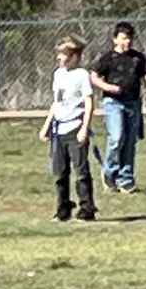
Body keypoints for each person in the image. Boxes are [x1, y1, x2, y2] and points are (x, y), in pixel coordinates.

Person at [89, 21, 146, 193]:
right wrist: (108, 87)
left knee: (130, 141)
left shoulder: (138, 58)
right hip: (113, 103)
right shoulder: (108, 58)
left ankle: (126, 179)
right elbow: (94, 76)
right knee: (117, 137)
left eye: (130, 38)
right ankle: (109, 172)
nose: (127, 41)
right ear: (115, 39)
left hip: (133, 103)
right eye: (123, 38)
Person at [39, 36, 97, 221]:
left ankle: (87, 207)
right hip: (59, 130)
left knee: (81, 171)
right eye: (58, 54)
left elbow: (89, 104)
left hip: (75, 128)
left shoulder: (82, 75)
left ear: (74, 56)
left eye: (63, 54)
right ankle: (63, 207)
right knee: (59, 172)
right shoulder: (58, 75)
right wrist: (47, 125)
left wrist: (84, 128)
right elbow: (57, 103)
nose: (59, 58)